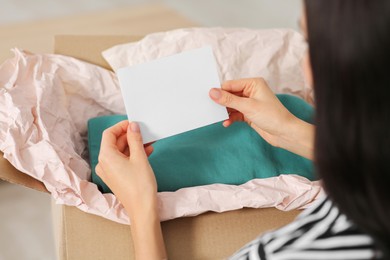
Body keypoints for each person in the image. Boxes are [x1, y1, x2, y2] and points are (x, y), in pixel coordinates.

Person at [95, 0, 390, 259]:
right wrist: (293, 132)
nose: (305, 62)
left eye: (310, 43)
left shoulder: (299, 251)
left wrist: (142, 208)